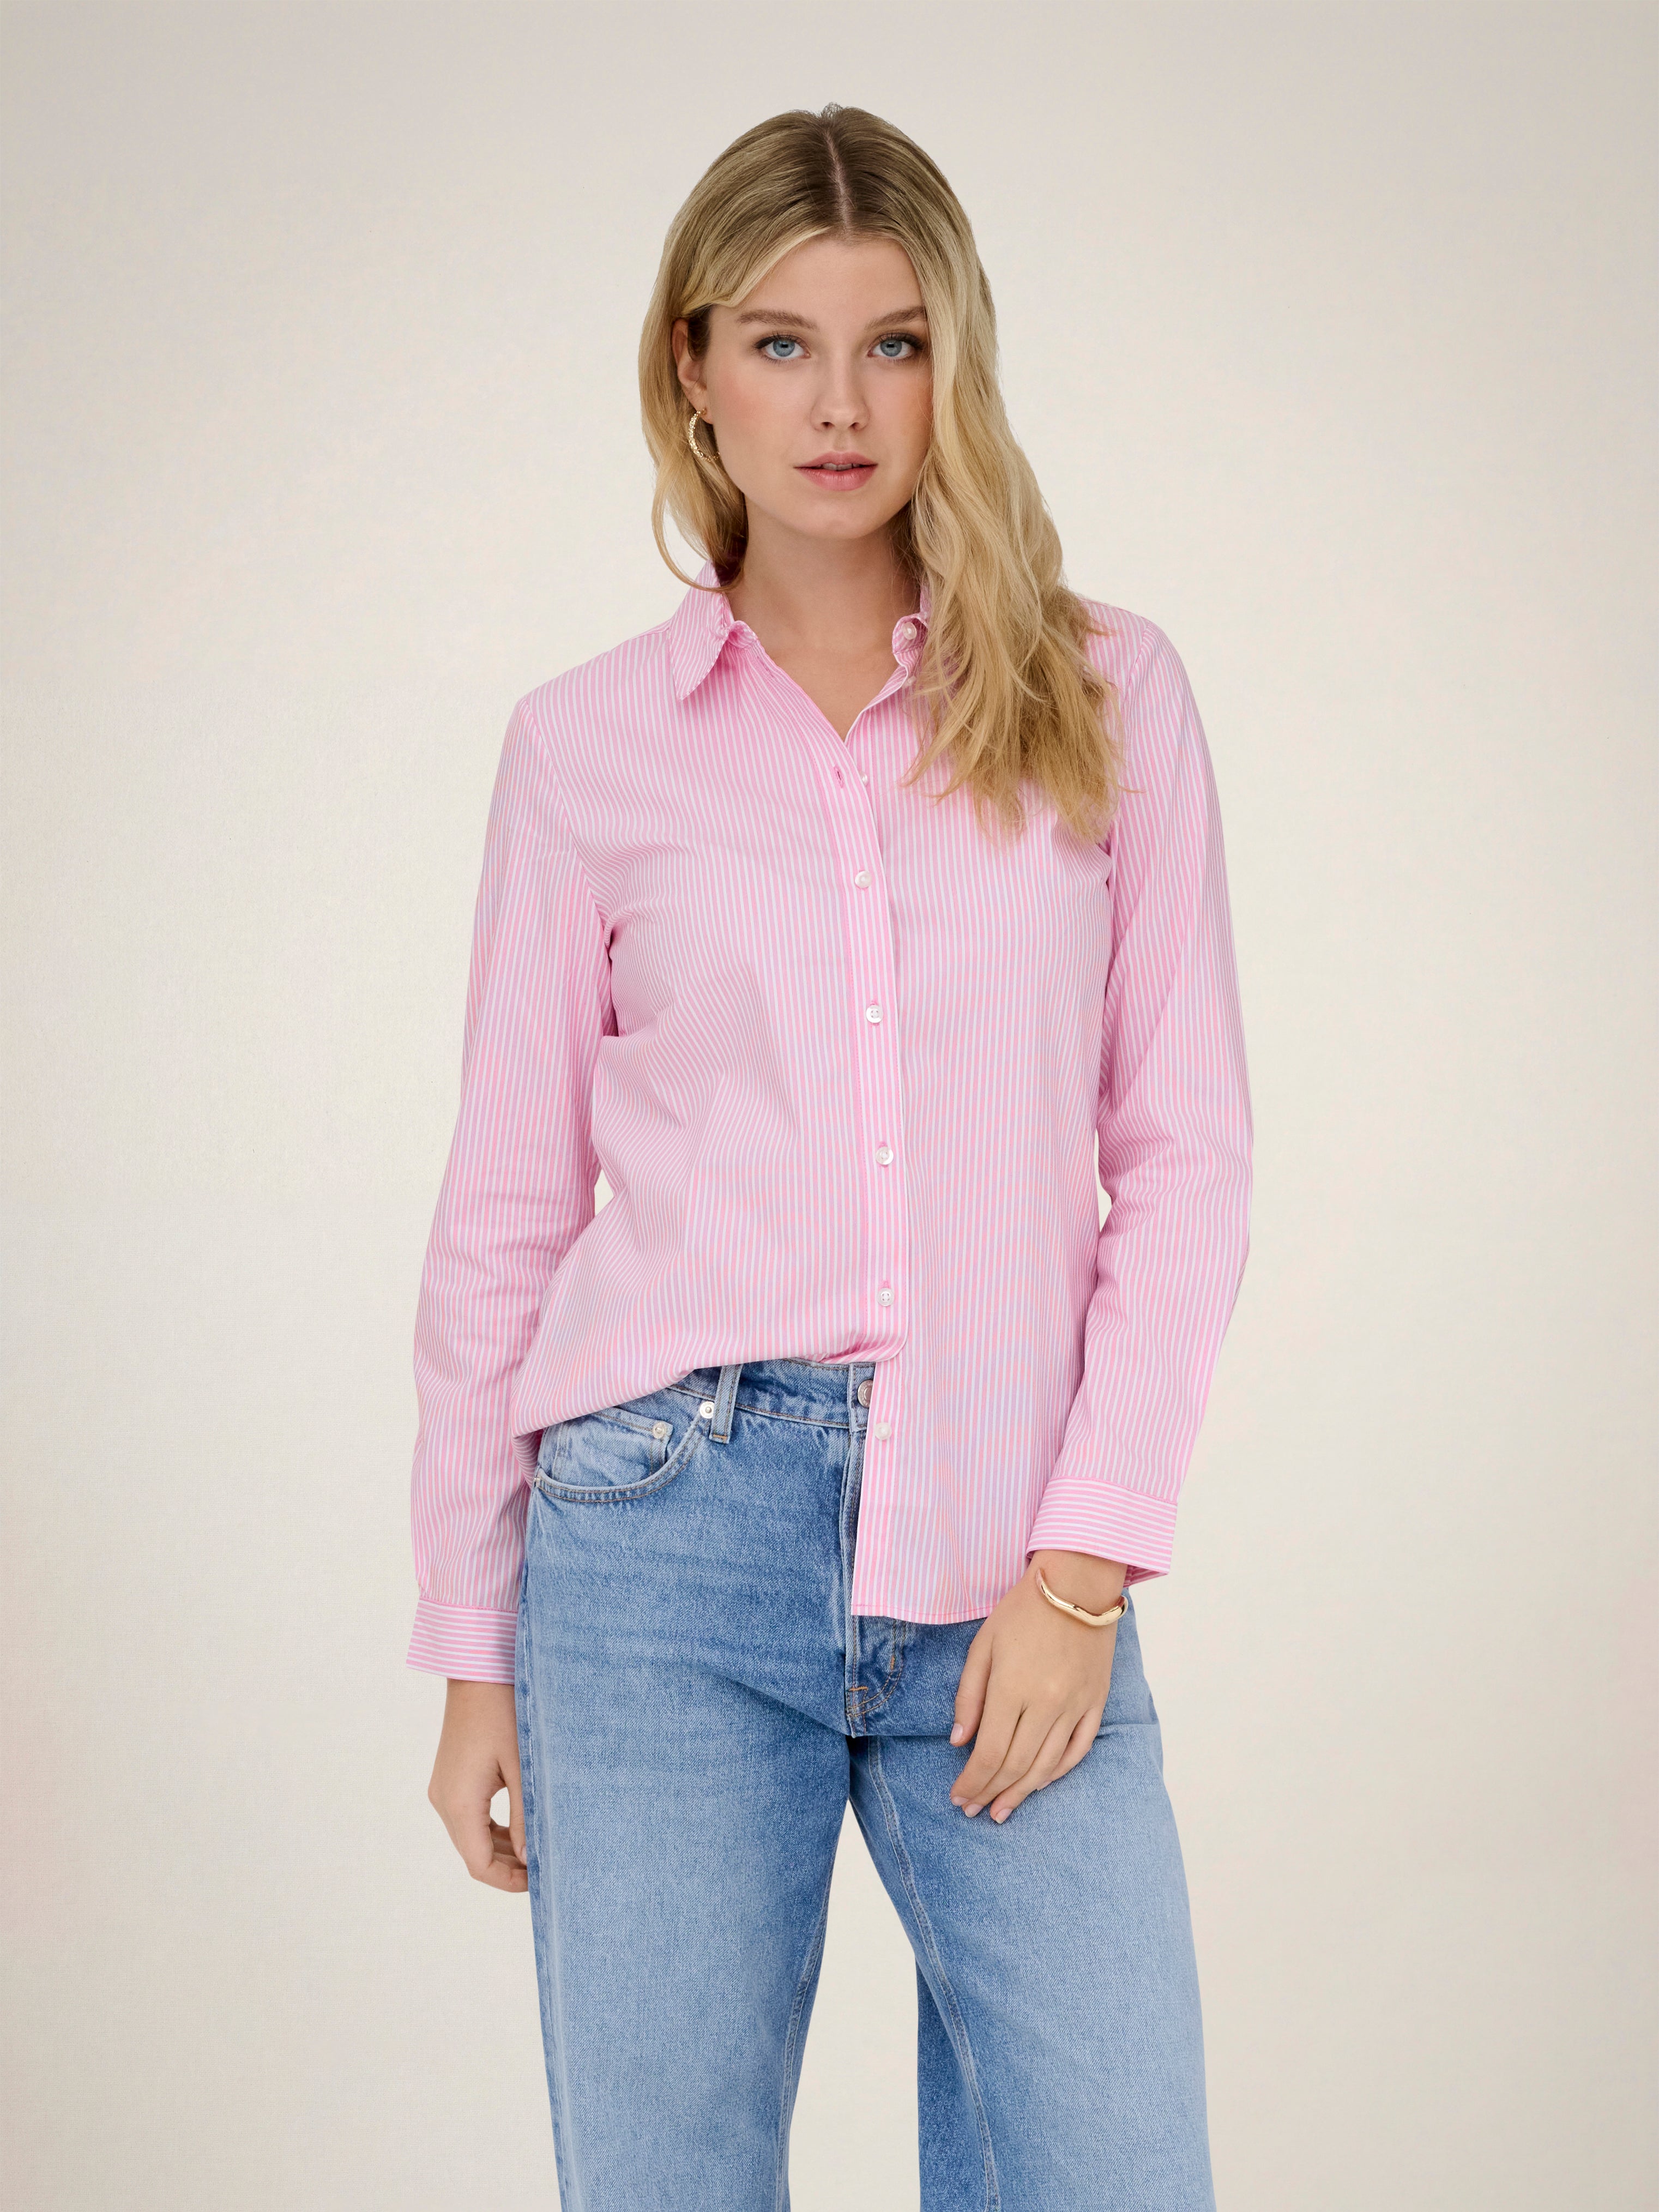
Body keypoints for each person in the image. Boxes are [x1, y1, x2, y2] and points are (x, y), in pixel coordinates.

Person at [411, 101, 1251, 2211]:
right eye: (781, 344)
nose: (841, 404)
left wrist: (1082, 1566)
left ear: (955, 363)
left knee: (1114, 2169)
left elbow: (1187, 1153)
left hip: (1010, 1545)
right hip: (659, 1547)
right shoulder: (582, 750)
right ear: (691, 369)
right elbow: (503, 1217)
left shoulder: (1107, 694)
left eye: (893, 343)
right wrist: (473, 1641)